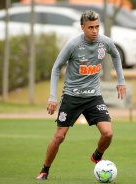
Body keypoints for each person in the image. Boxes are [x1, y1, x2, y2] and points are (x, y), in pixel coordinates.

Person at [36, 10, 127, 180]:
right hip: (72, 96)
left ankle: (97, 156)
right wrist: (52, 97)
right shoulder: (73, 45)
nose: (94, 31)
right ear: (82, 27)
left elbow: (115, 55)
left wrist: (121, 81)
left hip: (93, 97)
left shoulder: (104, 43)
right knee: (60, 135)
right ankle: (44, 170)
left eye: (97, 27)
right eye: (91, 27)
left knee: (108, 133)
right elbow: (56, 68)